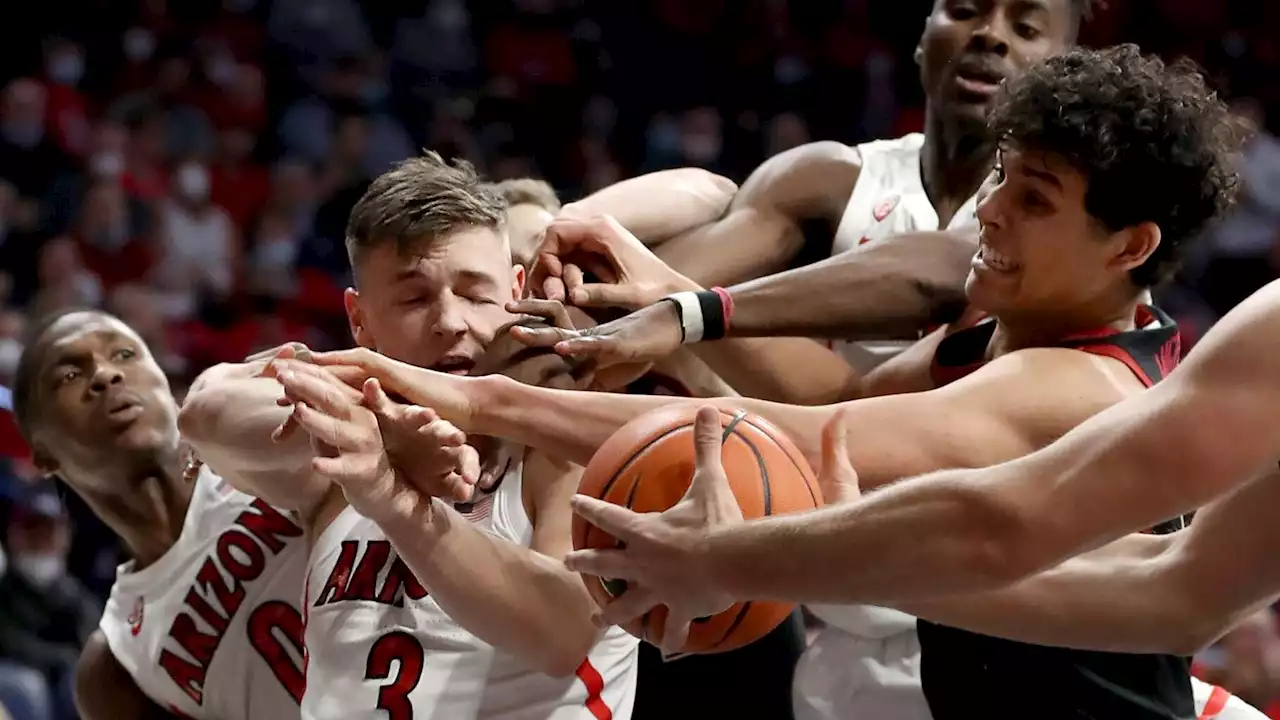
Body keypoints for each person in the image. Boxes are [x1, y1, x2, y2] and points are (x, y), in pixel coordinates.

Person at [290, 45, 1239, 719]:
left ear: (1130, 247)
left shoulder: (1078, 387)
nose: (988, 209)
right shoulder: (993, 329)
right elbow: (831, 407)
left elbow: (802, 444)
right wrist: (667, 311)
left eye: (1033, 201)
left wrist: (475, 396)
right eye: (1000, 176)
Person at [178, 153, 640, 720]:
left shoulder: (563, 440)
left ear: (516, 288)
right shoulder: (337, 456)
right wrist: (383, 433)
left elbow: (562, 634)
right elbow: (202, 413)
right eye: (415, 299)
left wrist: (394, 499)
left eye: (474, 293)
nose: (449, 321)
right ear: (360, 320)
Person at [9, 309, 308, 720]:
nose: (106, 376)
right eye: (70, 376)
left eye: (125, 354)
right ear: (40, 454)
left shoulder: (271, 443)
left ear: (166, 385)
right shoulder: (115, 667)